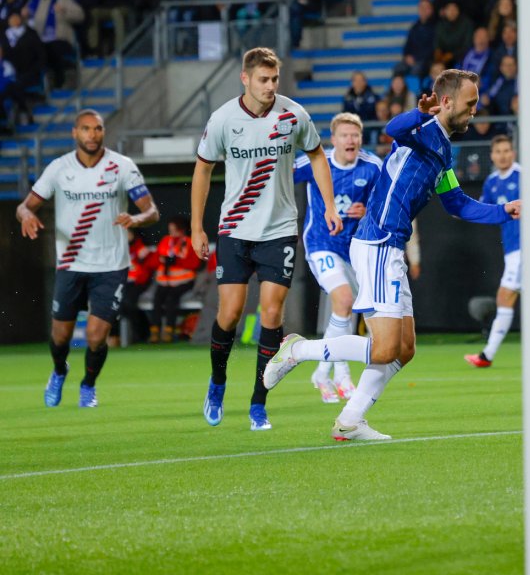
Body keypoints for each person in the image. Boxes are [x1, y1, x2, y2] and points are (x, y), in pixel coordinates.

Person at [261, 70, 521, 441]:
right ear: (446, 102)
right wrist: (420, 113)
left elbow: (457, 203)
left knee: (404, 349)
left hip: (390, 247)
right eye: (470, 104)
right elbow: (394, 130)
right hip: (378, 243)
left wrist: (503, 210)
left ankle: (350, 420)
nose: (475, 111)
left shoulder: (444, 149)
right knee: (383, 348)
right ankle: (298, 349)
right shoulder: (424, 131)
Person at [190, 47, 342, 431]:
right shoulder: (223, 119)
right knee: (230, 314)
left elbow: (319, 155)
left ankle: (259, 402)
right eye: (263, 79)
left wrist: (328, 204)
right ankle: (218, 382)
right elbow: (203, 170)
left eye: (274, 79)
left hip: (279, 230)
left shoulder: (294, 115)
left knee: (272, 314)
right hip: (235, 229)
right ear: (245, 79)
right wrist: (196, 226)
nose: (270, 86)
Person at [15, 109, 159, 408]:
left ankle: (88, 385)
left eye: (97, 129)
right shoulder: (58, 168)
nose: (92, 134)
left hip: (111, 266)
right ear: (74, 133)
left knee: (96, 336)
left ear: (103, 132)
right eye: (86, 129)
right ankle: (58, 370)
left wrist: (136, 218)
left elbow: (152, 211)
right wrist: (27, 214)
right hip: (71, 264)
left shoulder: (122, 166)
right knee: (60, 335)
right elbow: (25, 206)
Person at [293, 112, 382, 402]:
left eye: (355, 135)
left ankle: (322, 372)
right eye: (345, 135)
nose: (351, 140)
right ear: (334, 140)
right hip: (321, 242)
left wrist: (369, 211)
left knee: (348, 309)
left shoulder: (372, 167)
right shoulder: (316, 162)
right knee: (343, 300)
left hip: (356, 250)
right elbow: (281, 174)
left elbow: (387, 204)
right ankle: (341, 375)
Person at [465, 135, 522, 368]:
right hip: (511, 248)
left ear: (513, 152)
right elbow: (485, 211)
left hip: (527, 248)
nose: (503, 155)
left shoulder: (524, 175)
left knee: (505, 297)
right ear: (492, 156)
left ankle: (487, 355)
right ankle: (487, 355)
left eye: (507, 150)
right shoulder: (491, 182)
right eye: (498, 151)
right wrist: (463, 211)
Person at [150, 215, 202, 343]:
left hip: (184, 280)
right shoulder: (165, 240)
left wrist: (177, 261)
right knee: (157, 299)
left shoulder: (189, 242)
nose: (172, 233)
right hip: (165, 280)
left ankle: (169, 330)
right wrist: (164, 260)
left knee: (171, 299)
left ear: (182, 229)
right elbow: (156, 259)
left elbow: (195, 263)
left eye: (175, 230)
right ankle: (155, 331)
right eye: (170, 230)